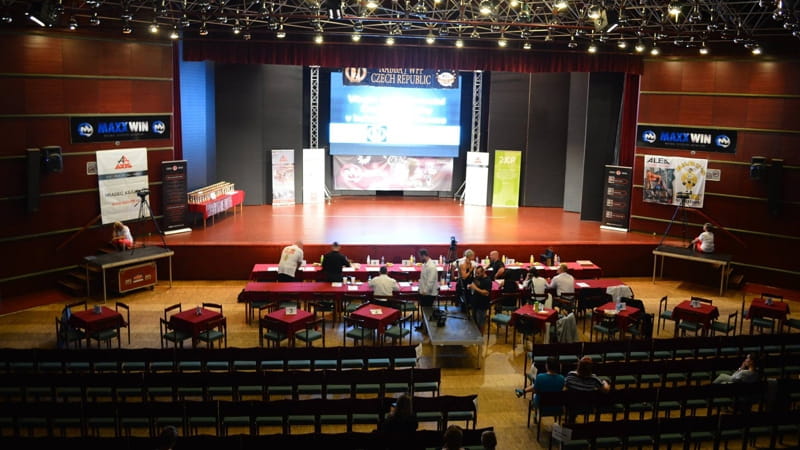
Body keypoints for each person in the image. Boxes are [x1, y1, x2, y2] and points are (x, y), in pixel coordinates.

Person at [469, 265, 492, 331]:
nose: (476, 275)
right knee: (474, 322)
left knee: (480, 323)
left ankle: (481, 336)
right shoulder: (477, 278)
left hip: (482, 306)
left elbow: (486, 293)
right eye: (476, 273)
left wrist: (475, 288)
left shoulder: (487, 281)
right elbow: (475, 285)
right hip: (475, 303)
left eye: (478, 273)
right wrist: (470, 286)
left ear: (483, 272)